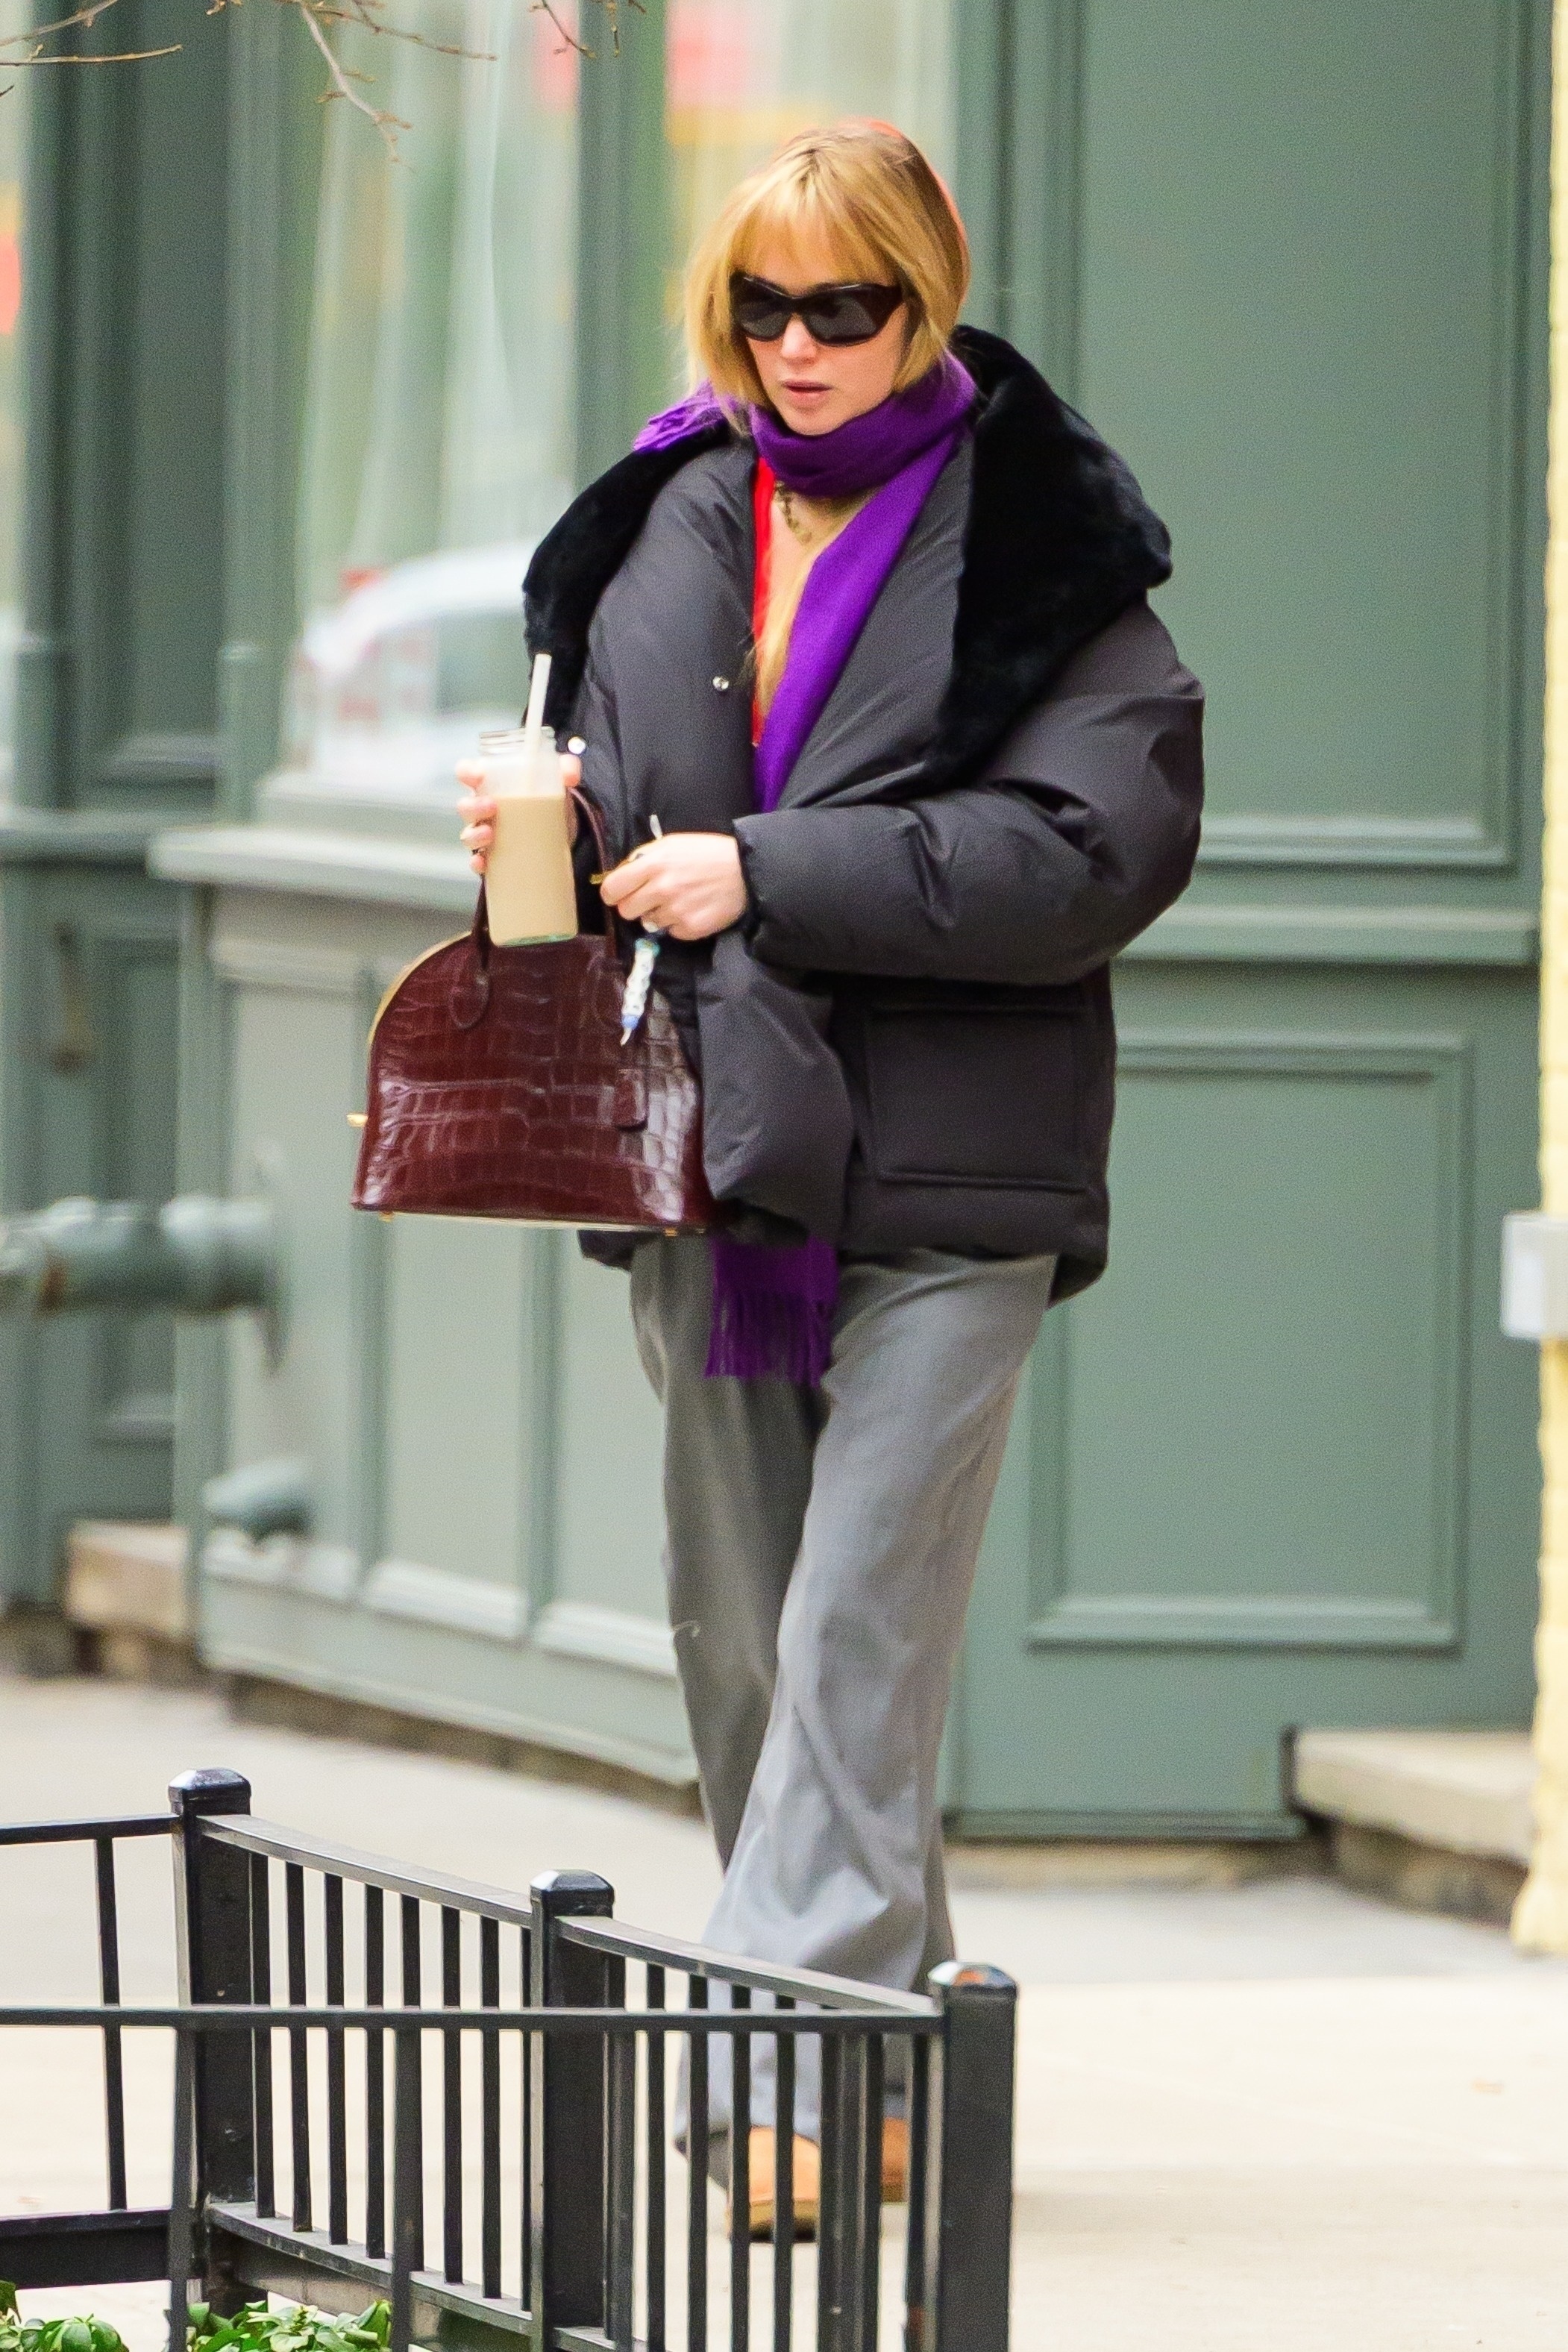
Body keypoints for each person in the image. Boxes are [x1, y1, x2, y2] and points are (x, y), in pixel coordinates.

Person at [458, 119, 1203, 2233]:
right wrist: (535, 838)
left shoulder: (1049, 535)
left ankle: (764, 2069)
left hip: (953, 1182)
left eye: (844, 306)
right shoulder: (669, 513)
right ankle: (889, 2065)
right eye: (763, 308)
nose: (799, 349)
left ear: (924, 293)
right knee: (760, 1641)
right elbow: (617, 831)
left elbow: (1092, 854)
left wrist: (766, 870)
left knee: (866, 1618)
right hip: (722, 1158)